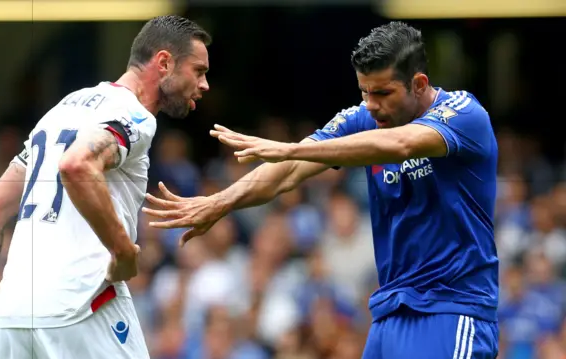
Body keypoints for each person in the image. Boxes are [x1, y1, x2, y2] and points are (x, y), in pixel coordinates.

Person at [142, 21, 499, 359]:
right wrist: (220, 202)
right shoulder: (366, 118)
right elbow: (288, 172)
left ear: (419, 84)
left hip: (453, 310)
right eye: (364, 92)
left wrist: (291, 148)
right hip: (390, 311)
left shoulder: (464, 114)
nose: (371, 105)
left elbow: (402, 144)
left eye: (383, 93)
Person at [0, 15, 211, 359]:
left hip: (13, 313)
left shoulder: (60, 111)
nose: (204, 85)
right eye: (199, 71)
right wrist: (123, 249)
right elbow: (76, 164)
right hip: (83, 305)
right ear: (164, 62)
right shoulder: (134, 115)